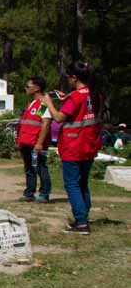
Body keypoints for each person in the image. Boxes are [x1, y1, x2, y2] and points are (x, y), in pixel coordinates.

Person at [43, 61, 102, 235]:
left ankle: (81, 223)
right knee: (83, 183)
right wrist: (66, 98)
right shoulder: (95, 94)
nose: (68, 80)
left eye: (69, 77)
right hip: (89, 144)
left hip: (73, 145)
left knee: (72, 184)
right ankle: (84, 216)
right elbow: (82, 109)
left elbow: (59, 118)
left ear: (75, 78)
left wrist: (49, 103)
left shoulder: (75, 97)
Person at [16, 76, 53, 203]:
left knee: (40, 167)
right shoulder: (31, 103)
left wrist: (40, 143)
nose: (25, 89)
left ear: (37, 88)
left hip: (36, 144)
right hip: (26, 142)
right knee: (29, 168)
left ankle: (44, 193)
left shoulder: (43, 104)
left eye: (28, 86)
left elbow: (45, 123)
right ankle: (29, 193)